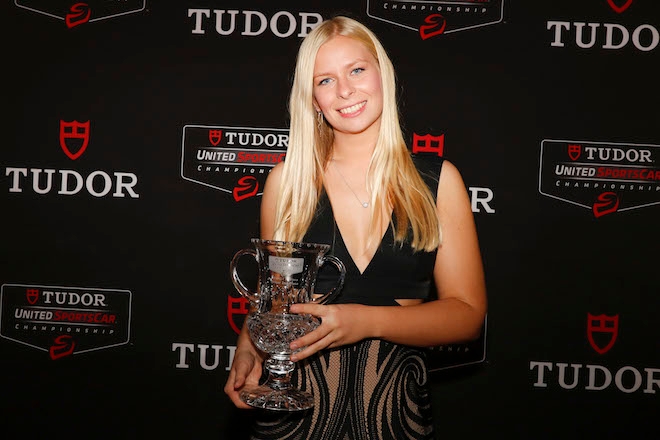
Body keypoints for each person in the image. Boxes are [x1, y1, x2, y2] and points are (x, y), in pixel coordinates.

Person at [224, 15, 487, 440]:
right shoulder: (288, 182)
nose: (344, 90)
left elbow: (467, 316)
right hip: (295, 416)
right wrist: (248, 348)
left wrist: (363, 321)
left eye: (357, 70)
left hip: (395, 415)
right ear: (313, 98)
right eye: (325, 80)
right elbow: (276, 302)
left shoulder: (438, 182)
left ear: (383, 74)